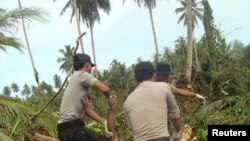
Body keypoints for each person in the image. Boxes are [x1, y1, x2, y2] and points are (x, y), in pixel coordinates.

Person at [57, 53, 115, 141]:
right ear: (87, 65)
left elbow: (87, 110)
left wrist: (104, 122)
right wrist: (109, 99)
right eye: (91, 66)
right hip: (72, 128)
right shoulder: (82, 75)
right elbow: (105, 89)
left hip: (64, 130)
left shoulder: (74, 78)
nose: (91, 69)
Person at [124, 61, 181, 141]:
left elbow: (132, 127)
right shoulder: (164, 87)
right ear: (154, 75)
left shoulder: (128, 101)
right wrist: (177, 132)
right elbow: (174, 116)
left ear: (136, 79)